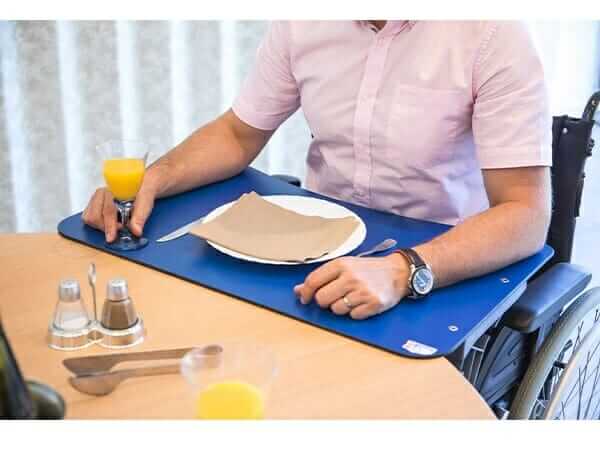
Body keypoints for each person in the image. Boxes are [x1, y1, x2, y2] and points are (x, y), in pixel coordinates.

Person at [83, 20, 552, 320]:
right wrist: (156, 178)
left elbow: (526, 213)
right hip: (318, 253)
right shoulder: (304, 20)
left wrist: (403, 270)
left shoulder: (493, 34)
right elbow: (238, 134)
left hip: (442, 260)